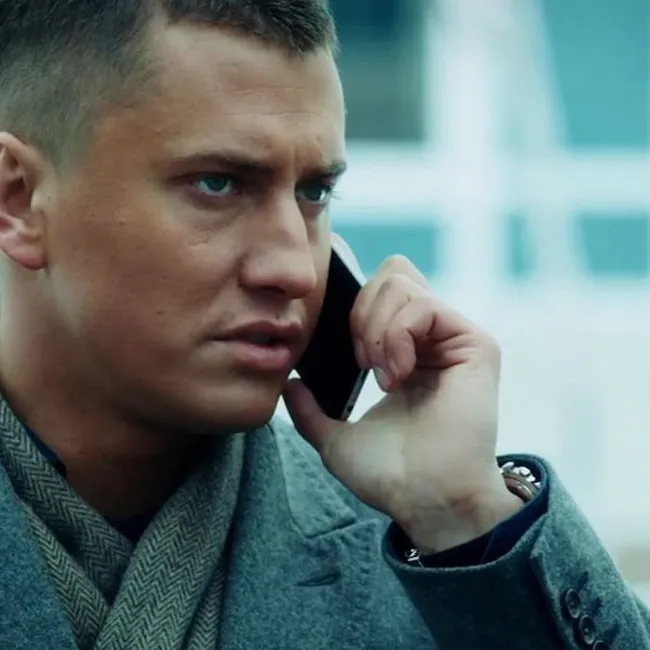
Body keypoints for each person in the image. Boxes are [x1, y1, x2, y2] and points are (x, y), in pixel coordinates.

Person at [0, 1, 645, 649]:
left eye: (314, 193)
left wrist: (464, 516)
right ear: (18, 200)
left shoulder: (440, 563)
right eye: (218, 184)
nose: (295, 270)